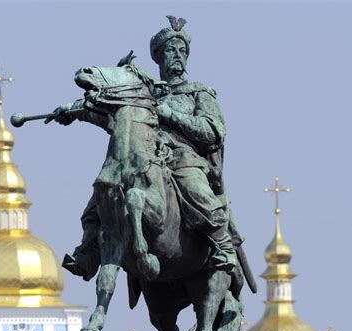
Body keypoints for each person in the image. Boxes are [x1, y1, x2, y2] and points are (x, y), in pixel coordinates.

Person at [53, 16, 240, 278]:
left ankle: (222, 245)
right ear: (158, 57)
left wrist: (170, 115)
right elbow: (110, 116)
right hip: (145, 156)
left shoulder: (199, 93)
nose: (177, 56)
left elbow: (213, 132)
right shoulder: (144, 93)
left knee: (196, 189)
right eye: (170, 51)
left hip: (183, 157)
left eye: (182, 51)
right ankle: (88, 252)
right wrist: (72, 112)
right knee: (101, 195)